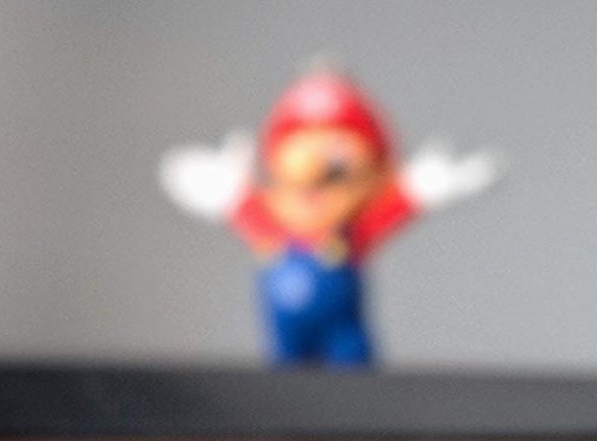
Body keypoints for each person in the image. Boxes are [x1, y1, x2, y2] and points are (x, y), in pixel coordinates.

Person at [159, 67, 500, 368]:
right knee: (286, 386)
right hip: (286, 345)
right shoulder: (268, 223)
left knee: (352, 374)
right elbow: (230, 199)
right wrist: (219, 186)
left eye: (336, 176)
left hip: (345, 341)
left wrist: (423, 187)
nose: (316, 182)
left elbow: (398, 205)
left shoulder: (352, 233)